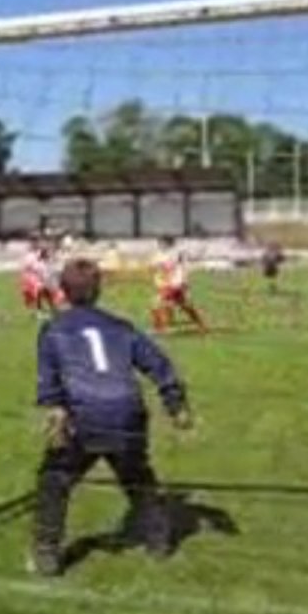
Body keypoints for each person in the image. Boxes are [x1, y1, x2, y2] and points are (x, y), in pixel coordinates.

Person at [30, 258, 193, 577]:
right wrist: (176, 406)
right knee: (137, 478)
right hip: (128, 413)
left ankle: (47, 553)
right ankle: (159, 540)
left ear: (62, 292)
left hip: (85, 415)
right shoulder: (121, 327)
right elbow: (159, 365)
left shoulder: (53, 330)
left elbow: (48, 379)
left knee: (54, 481)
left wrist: (56, 411)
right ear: (98, 291)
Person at [150, 236, 209, 334]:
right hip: (167, 284)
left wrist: (183, 282)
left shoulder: (177, 253)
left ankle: (159, 329)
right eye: (159, 242)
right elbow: (158, 269)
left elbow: (182, 267)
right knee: (185, 305)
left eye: (162, 242)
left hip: (175, 284)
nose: (159, 244)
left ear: (169, 242)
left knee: (155, 303)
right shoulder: (159, 254)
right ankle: (202, 325)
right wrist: (159, 280)